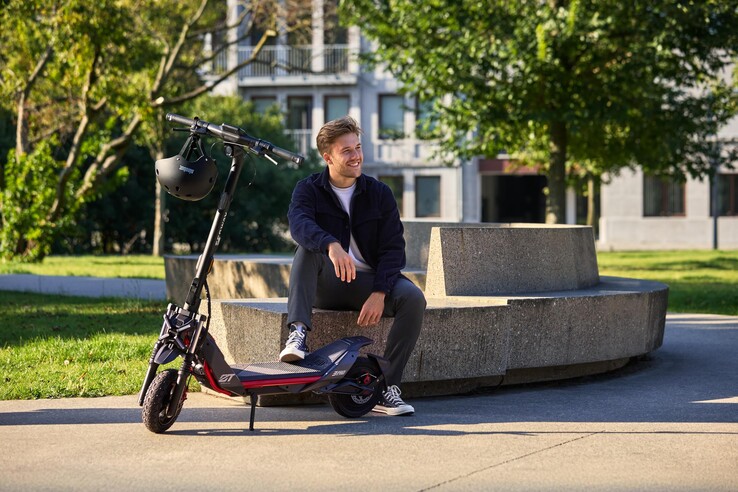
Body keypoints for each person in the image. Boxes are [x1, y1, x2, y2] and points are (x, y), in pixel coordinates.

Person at [280, 115, 426, 416]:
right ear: (328, 157)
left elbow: (393, 249)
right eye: (347, 150)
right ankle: (297, 335)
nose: (356, 155)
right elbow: (299, 225)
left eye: (358, 147)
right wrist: (331, 244)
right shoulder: (308, 190)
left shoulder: (379, 193)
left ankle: (388, 388)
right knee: (307, 249)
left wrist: (380, 291)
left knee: (413, 297)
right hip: (328, 286)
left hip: (368, 284)